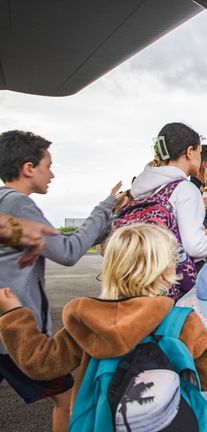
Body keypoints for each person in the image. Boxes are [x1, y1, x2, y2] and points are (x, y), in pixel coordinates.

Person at [0, 224, 207, 428]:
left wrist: (14, 315)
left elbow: (40, 362)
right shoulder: (182, 321)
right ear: (166, 270)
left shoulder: (86, 320)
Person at [0, 130, 120, 432]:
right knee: (67, 400)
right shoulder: (18, 203)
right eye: (48, 165)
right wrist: (104, 208)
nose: (51, 174)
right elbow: (68, 251)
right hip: (14, 335)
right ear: (29, 168)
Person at [130, 122, 207, 297]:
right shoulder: (185, 189)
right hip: (168, 288)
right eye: (199, 151)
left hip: (139, 281)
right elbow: (195, 246)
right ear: (189, 152)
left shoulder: (142, 189)